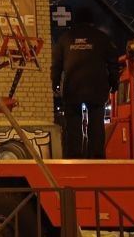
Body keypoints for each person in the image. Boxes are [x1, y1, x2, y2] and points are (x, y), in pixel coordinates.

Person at [51, 8, 119, 159]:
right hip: (96, 89)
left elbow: (56, 65)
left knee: (73, 126)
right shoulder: (102, 38)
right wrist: (114, 83)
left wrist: (54, 84)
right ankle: (96, 157)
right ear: (92, 22)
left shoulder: (65, 39)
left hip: (72, 89)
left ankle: (74, 157)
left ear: (75, 21)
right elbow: (113, 62)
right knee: (96, 125)